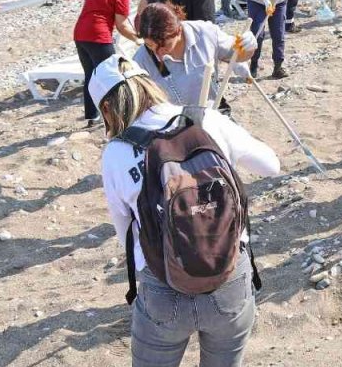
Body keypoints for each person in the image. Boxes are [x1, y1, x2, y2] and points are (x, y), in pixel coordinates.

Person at [93, 56, 279, 367]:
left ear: (107, 109)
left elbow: (125, 231)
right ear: (149, 84)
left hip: (163, 287)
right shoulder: (206, 121)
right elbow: (271, 165)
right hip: (229, 275)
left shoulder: (116, 152)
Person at [133, 2, 258, 107]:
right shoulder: (141, 60)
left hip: (212, 113)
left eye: (164, 47)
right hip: (172, 126)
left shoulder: (205, 33)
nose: (157, 54)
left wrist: (248, 47)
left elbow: (238, 56)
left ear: (178, 31)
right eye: (150, 46)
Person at [74, 0, 142, 127]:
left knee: (91, 75)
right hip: (98, 36)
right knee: (112, 76)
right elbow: (122, 25)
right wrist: (137, 39)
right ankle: (117, 116)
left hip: (80, 33)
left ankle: (92, 116)